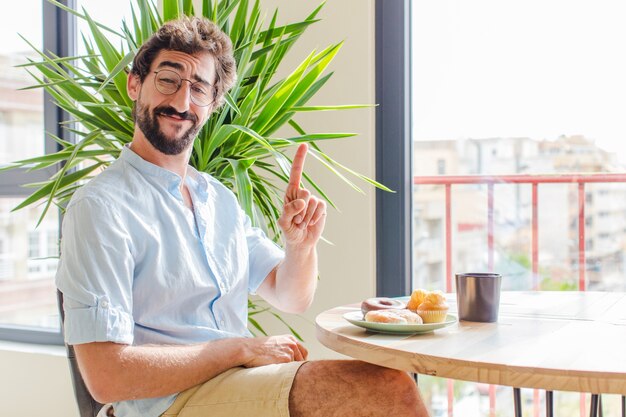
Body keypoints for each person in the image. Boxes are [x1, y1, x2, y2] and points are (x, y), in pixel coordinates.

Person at [55, 15, 430, 417]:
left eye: (198, 88)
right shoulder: (100, 207)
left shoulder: (218, 199)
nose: (182, 102)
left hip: (233, 384)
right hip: (165, 405)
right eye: (168, 79)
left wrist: (299, 247)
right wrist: (240, 348)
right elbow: (106, 376)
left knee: (386, 381)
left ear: (212, 105)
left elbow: (291, 295)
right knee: (386, 388)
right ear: (135, 84)